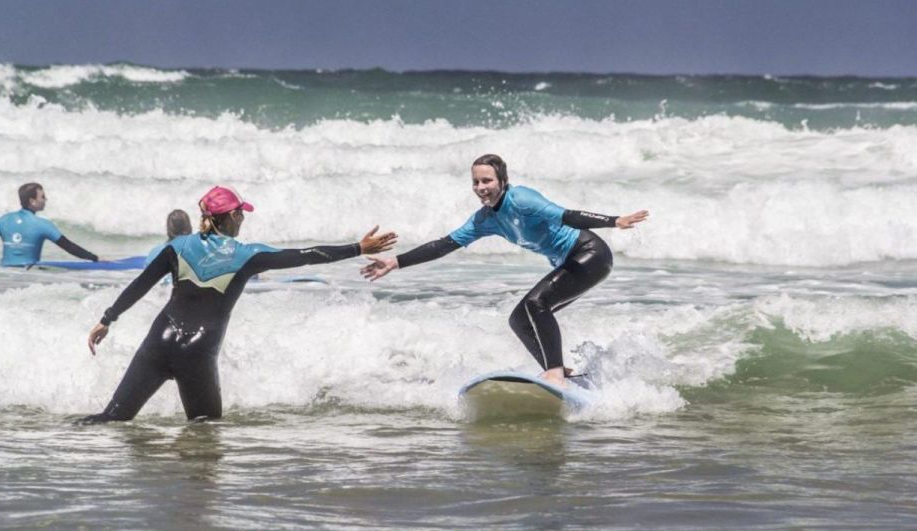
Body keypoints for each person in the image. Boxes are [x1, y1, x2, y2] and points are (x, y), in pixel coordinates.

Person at [83, 185, 397, 423]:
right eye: (241, 213)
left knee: (110, 419)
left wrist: (107, 319)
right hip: (197, 352)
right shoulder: (248, 255)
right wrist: (357, 247)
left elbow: (141, 284)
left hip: (159, 340)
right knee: (205, 431)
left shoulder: (178, 246)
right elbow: (306, 255)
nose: (243, 218)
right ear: (232, 216)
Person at [361, 154, 648, 386]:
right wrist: (395, 262)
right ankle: (561, 373)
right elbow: (444, 245)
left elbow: (567, 215)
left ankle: (555, 373)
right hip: (571, 262)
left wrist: (615, 221)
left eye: (486, 180)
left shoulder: (521, 199)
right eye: (475, 182)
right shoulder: (485, 220)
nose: (480, 187)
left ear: (502, 180)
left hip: (590, 254)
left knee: (537, 304)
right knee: (520, 320)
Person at [0, 183, 98, 266]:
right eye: (42, 196)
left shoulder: (3, 220)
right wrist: (95, 258)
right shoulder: (43, 225)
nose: (46, 200)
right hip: (28, 276)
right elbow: (69, 246)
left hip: (4, 275)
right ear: (32, 201)